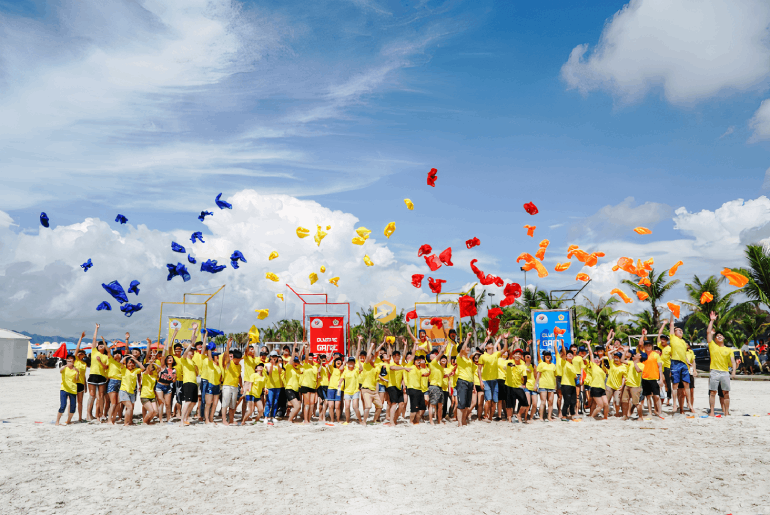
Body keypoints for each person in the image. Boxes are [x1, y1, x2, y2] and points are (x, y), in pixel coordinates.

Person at [707, 311, 737, 416]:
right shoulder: (713, 346)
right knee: (713, 392)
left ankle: (726, 412)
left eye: (721, 336)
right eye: (717, 336)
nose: (719, 336)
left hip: (725, 372)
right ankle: (711, 412)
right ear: (715, 339)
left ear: (724, 338)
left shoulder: (729, 350)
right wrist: (711, 321)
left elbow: (733, 361)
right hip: (714, 372)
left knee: (726, 393)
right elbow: (708, 333)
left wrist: (733, 371)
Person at [477, 331, 504, 423]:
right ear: (485, 347)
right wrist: (481, 381)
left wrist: (504, 339)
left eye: (491, 343)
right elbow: (479, 370)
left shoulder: (495, 355)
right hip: (486, 381)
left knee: (494, 401)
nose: (491, 344)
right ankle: (485, 415)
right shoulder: (483, 356)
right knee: (488, 400)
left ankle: (491, 417)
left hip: (495, 381)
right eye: (489, 344)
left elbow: (504, 350)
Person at [86, 324, 108, 422]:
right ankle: (88, 414)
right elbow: (94, 339)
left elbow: (106, 367)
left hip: (102, 377)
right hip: (93, 376)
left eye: (102, 345)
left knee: (101, 396)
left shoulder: (106, 357)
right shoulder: (94, 352)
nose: (101, 346)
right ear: (97, 347)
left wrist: (100, 362)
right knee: (92, 395)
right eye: (99, 345)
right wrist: (96, 328)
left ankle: (99, 414)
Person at [115, 354, 144, 426]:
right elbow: (120, 363)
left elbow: (143, 368)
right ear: (126, 364)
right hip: (124, 391)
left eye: (132, 363)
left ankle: (129, 421)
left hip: (132, 392)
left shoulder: (135, 370)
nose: (131, 364)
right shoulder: (124, 369)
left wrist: (135, 360)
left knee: (130, 408)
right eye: (129, 362)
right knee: (129, 407)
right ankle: (126, 423)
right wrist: (127, 357)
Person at [639, 336, 664, 419]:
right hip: (645, 378)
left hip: (654, 378)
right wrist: (644, 335)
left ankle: (659, 411)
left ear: (652, 346)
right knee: (648, 397)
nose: (648, 347)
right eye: (646, 345)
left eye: (650, 345)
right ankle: (650, 412)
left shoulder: (656, 355)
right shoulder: (642, 355)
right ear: (644, 347)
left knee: (656, 396)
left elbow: (660, 368)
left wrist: (661, 379)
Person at [453, 332, 475, 427]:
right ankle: (459, 423)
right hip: (462, 382)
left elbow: (472, 373)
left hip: (469, 382)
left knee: (467, 404)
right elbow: (462, 350)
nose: (468, 348)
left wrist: (473, 385)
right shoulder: (459, 357)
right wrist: (467, 338)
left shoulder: (469, 360)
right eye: (466, 347)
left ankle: (464, 420)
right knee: (461, 404)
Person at [504, 346, 530, 423]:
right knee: (509, 404)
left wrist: (524, 384)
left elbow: (525, 376)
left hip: (518, 386)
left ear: (521, 356)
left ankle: (519, 415)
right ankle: (509, 418)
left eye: (519, 354)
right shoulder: (509, 362)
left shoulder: (522, 366)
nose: (517, 355)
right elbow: (508, 364)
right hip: (509, 386)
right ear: (513, 355)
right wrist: (511, 365)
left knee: (525, 403)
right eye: (516, 354)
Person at [178, 336, 200, 426]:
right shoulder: (184, 360)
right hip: (188, 382)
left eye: (193, 351)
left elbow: (197, 374)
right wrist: (190, 345)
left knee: (194, 402)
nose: (193, 352)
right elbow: (185, 353)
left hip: (194, 382)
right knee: (188, 401)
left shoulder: (193, 362)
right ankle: (182, 421)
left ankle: (186, 418)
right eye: (191, 350)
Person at [337, 357, 365, 425]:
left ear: (354, 363)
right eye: (350, 362)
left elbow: (361, 369)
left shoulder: (356, 370)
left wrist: (358, 361)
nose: (351, 363)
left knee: (355, 407)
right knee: (347, 407)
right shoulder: (345, 371)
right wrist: (339, 384)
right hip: (347, 391)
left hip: (355, 391)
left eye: (352, 362)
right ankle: (347, 421)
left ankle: (360, 420)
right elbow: (341, 379)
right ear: (347, 363)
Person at [220, 337, 242, 426]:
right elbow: (226, 356)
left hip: (235, 387)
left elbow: (239, 377)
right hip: (227, 386)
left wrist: (242, 386)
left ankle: (231, 420)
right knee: (225, 404)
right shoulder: (229, 363)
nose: (239, 360)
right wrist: (228, 345)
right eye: (238, 359)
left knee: (233, 405)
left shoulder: (239, 366)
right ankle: (224, 420)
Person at [534, 340, 557, 422]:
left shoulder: (553, 365)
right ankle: (541, 417)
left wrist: (555, 386)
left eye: (549, 355)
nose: (547, 356)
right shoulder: (541, 364)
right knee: (543, 402)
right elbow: (538, 375)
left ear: (551, 357)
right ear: (543, 357)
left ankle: (549, 417)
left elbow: (555, 376)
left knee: (550, 402)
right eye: (546, 355)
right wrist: (535, 385)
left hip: (551, 385)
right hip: (543, 385)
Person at [586, 343, 608, 420]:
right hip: (595, 387)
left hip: (602, 388)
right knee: (600, 405)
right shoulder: (593, 366)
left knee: (606, 404)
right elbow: (591, 354)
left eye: (598, 359)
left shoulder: (602, 369)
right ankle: (591, 417)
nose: (597, 360)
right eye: (595, 360)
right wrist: (588, 345)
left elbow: (606, 356)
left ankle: (605, 418)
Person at [56, 355, 80, 426]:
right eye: (68, 360)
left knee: (73, 406)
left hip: (73, 389)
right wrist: (66, 365)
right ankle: (57, 421)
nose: (69, 362)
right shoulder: (64, 368)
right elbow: (60, 371)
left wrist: (78, 373)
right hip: (64, 389)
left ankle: (68, 420)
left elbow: (76, 379)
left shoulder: (75, 370)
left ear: (73, 362)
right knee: (63, 405)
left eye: (71, 361)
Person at [139, 353, 160, 425]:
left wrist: (154, 363)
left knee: (156, 412)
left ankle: (148, 421)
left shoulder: (154, 376)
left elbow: (159, 368)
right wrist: (151, 362)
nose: (152, 368)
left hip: (152, 396)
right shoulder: (144, 374)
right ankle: (144, 422)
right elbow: (147, 369)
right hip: (145, 396)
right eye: (151, 367)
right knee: (151, 411)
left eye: (153, 367)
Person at [264, 350, 284, 425]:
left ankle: (273, 416)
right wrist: (272, 364)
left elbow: (279, 372)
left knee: (275, 402)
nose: (274, 358)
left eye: (275, 357)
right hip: (270, 386)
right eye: (272, 357)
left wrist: (278, 364)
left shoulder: (279, 365)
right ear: (270, 357)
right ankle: (266, 416)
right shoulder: (267, 364)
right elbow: (270, 372)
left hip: (278, 386)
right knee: (269, 402)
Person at [72, 331, 88, 422]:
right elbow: (77, 348)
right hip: (74, 383)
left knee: (80, 402)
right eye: (79, 353)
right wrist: (81, 338)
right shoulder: (75, 361)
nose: (80, 354)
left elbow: (84, 375)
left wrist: (85, 386)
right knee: (72, 402)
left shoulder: (84, 363)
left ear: (84, 355)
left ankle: (80, 417)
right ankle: (70, 417)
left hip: (81, 383)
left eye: (82, 353)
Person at [657, 323, 673, 408]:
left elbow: (672, 359)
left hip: (667, 368)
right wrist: (663, 324)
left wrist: (671, 370)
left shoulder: (670, 348)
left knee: (667, 384)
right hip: (658, 367)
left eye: (664, 339)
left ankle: (668, 399)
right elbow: (659, 334)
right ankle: (660, 398)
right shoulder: (659, 346)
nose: (662, 340)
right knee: (659, 383)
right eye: (662, 339)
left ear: (667, 341)